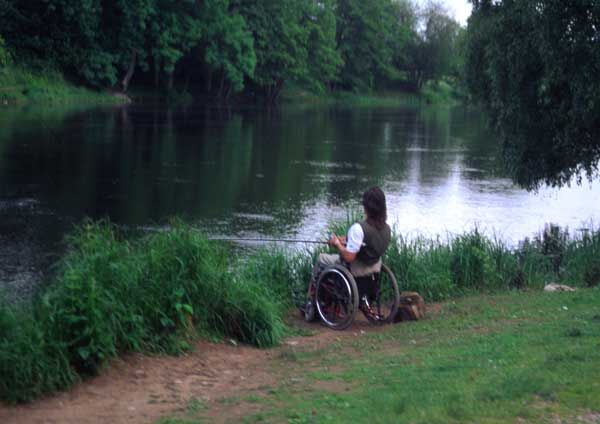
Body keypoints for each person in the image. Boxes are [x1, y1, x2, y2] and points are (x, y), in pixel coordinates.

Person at [303, 186, 391, 321]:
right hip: (374, 269)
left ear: (366, 207)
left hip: (355, 269)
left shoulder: (359, 228)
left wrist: (337, 244)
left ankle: (312, 301)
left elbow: (349, 257)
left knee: (322, 258)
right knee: (336, 256)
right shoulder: (386, 229)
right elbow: (364, 244)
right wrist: (342, 239)